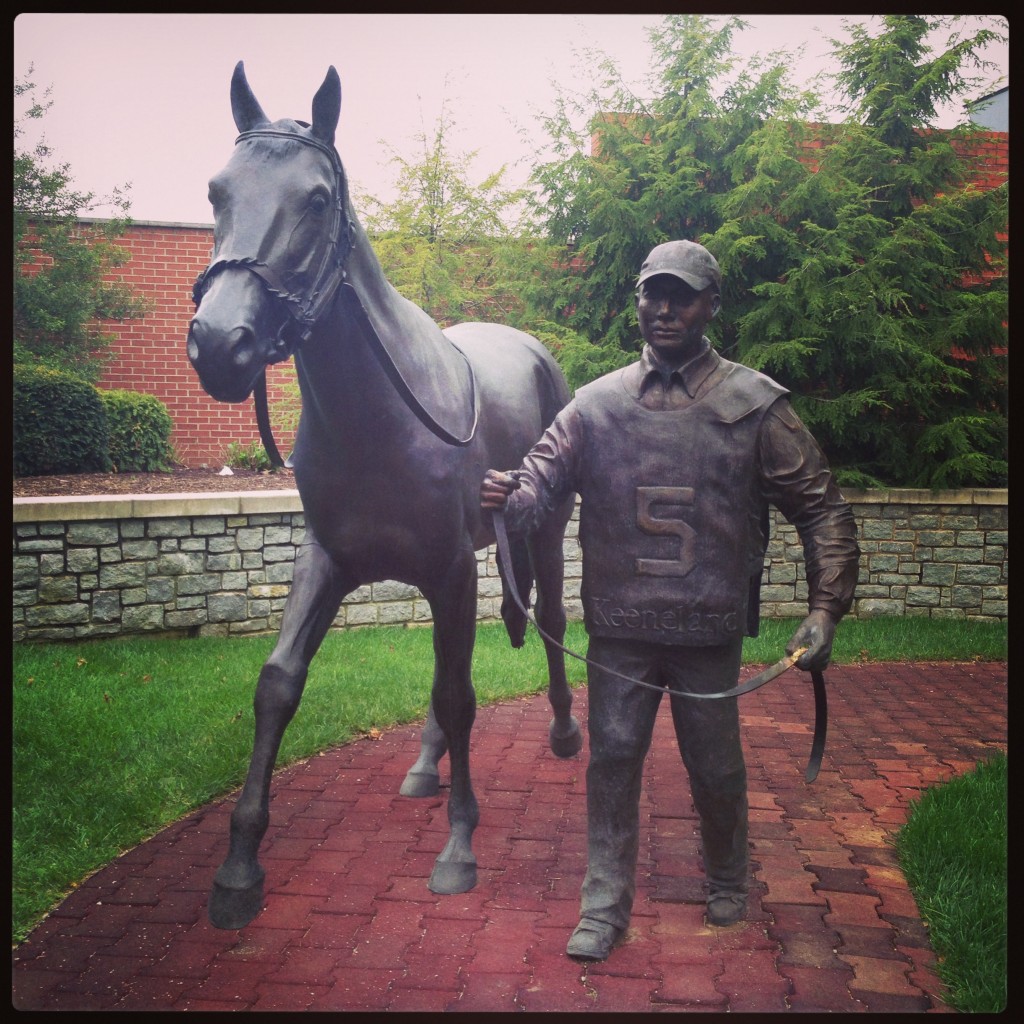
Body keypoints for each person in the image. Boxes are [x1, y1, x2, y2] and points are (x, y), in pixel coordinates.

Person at [480, 239, 860, 962]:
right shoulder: (592, 406)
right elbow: (538, 486)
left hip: (706, 627)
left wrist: (824, 609)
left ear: (710, 304)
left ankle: (725, 878)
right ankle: (603, 901)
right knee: (612, 758)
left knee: (714, 764)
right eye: (653, 293)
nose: (664, 308)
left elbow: (823, 510)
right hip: (621, 626)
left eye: (680, 295)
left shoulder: (755, 405)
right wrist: (509, 496)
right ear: (638, 301)